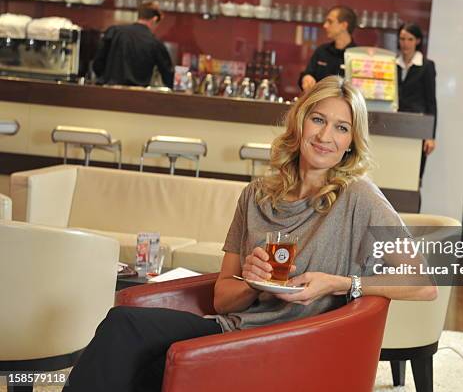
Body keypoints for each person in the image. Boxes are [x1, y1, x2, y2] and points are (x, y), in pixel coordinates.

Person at [63, 76, 437, 392]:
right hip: (233, 330)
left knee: (145, 362)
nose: (326, 136)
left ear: (352, 141)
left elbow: (424, 284)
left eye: (342, 128)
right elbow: (224, 300)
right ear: (300, 122)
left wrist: (337, 284)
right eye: (318, 120)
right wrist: (254, 284)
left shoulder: (358, 195)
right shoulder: (256, 195)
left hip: (296, 344)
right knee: (123, 325)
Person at [92, 2, 174, 89]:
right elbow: (168, 73)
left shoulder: (114, 31)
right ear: (154, 19)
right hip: (138, 95)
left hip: (110, 90)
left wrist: (103, 78)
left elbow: (97, 63)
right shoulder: (154, 42)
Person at [396, 23, 437, 183]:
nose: (405, 43)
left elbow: (431, 102)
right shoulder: (393, 63)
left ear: (418, 41)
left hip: (417, 127)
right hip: (395, 125)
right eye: (402, 38)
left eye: (410, 39)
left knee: (413, 178)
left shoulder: (426, 66)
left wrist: (430, 135)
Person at [299, 6, 357, 92]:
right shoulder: (321, 51)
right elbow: (307, 74)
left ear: (344, 25)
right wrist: (306, 78)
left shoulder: (356, 56)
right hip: (319, 103)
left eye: (330, 22)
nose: (325, 25)